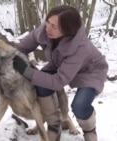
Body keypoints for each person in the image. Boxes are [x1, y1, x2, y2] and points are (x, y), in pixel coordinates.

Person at [13, 5, 108, 141]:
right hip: (59, 65)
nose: (48, 28)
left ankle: (89, 131)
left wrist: (27, 72)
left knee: (79, 105)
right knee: (42, 84)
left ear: (67, 31)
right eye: (48, 22)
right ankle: (54, 126)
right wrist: (3, 63)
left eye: (54, 27)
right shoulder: (45, 30)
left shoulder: (80, 46)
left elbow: (58, 81)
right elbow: (21, 48)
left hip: (90, 71)